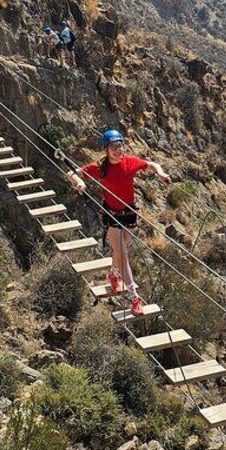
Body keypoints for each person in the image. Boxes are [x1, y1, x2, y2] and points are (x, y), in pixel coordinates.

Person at [67, 130, 171, 315]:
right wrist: (80, 183)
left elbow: (151, 164)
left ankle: (113, 274)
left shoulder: (130, 161)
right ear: (106, 149)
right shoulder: (100, 166)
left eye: (120, 145)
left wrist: (161, 174)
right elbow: (72, 173)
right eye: (113, 147)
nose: (118, 150)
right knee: (122, 253)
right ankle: (134, 297)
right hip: (112, 214)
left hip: (130, 212)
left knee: (121, 250)